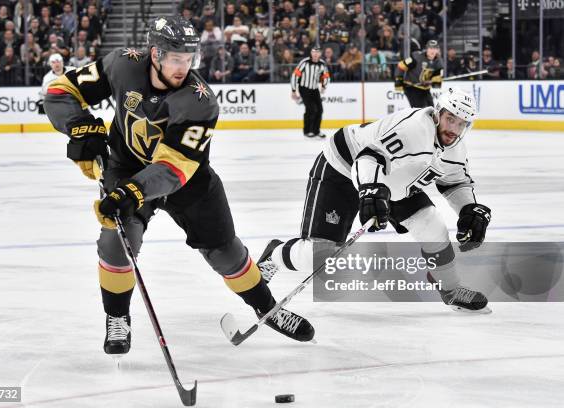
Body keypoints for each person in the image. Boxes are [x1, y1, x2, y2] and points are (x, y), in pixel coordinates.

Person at [44, 15, 314, 356]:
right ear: (154, 54)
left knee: (226, 254)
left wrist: (133, 192)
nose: (183, 67)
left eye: (189, 59)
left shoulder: (200, 100)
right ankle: (117, 318)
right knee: (116, 241)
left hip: (187, 179)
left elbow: (176, 166)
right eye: (175, 58)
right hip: (126, 167)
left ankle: (267, 307)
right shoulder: (121, 65)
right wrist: (80, 127)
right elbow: (60, 91)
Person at [257, 87, 492, 314]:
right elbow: (367, 158)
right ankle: (274, 254)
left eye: (462, 123)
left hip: (392, 182)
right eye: (450, 119)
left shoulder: (456, 149)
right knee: (319, 256)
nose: (454, 128)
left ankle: (450, 288)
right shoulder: (413, 129)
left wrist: (469, 210)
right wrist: (370, 191)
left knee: (432, 225)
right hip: (343, 167)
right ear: (438, 113)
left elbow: (455, 182)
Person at [290, 46, 330, 138]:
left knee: (320, 110)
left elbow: (326, 76)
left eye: (317, 52)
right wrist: (293, 90)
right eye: (314, 52)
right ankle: (307, 131)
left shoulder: (322, 64)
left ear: (320, 54)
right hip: (304, 88)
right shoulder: (304, 62)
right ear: (311, 53)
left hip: (315, 89)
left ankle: (316, 131)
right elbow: (295, 76)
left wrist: (324, 86)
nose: (315, 54)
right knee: (311, 109)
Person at [394, 39, 443, 108]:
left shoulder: (438, 61)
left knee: (431, 110)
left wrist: (432, 82)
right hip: (411, 87)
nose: (433, 51)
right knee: (419, 110)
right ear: (426, 49)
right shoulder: (416, 57)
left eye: (435, 48)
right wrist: (398, 81)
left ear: (438, 50)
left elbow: (436, 80)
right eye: (431, 48)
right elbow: (401, 66)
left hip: (425, 89)